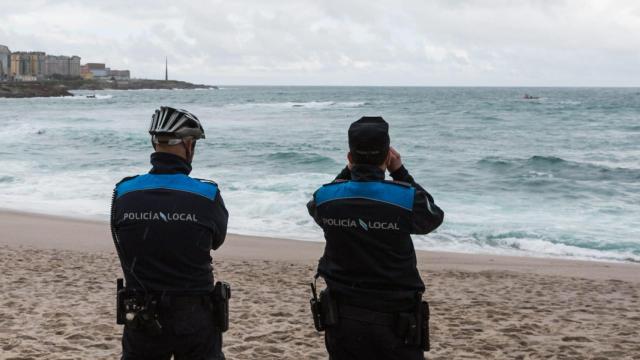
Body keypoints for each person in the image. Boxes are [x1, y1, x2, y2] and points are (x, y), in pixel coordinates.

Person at [307, 116, 444, 360]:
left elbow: (317, 203)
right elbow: (433, 217)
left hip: (343, 318)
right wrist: (400, 171)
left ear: (350, 157)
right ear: (387, 155)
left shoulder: (327, 199)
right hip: (396, 319)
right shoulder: (405, 200)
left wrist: (349, 171)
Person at [111, 106, 229, 360]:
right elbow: (217, 240)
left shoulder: (124, 192)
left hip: (141, 311)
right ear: (188, 145)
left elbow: (123, 236)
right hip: (194, 313)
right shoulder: (207, 195)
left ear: (155, 144)